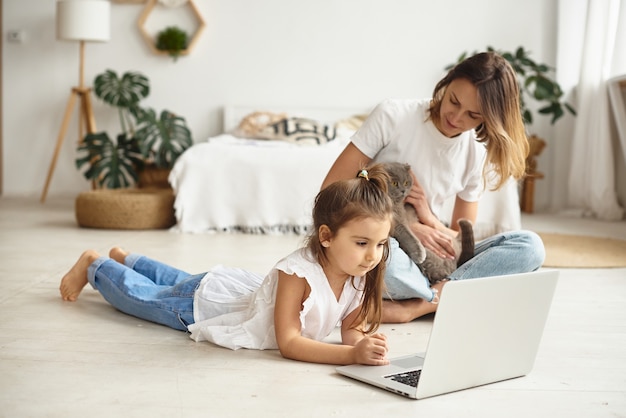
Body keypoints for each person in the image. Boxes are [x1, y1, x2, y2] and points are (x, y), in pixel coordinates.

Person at [60, 165, 394, 366]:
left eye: (380, 244)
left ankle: (128, 257)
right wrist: (349, 357)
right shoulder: (298, 273)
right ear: (326, 236)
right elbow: (290, 343)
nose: (372, 256)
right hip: (206, 307)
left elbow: (351, 327)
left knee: (178, 281)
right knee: (148, 298)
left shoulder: (358, 273)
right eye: (362, 243)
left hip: (232, 291)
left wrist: (364, 345)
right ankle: (97, 265)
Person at [321, 51, 546, 323]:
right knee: (383, 263)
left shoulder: (475, 152)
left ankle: (422, 304)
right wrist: (403, 228)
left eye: (473, 115)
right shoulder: (393, 115)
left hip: (435, 263)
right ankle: (456, 292)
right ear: (446, 82)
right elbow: (331, 190)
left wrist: (428, 217)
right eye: (453, 100)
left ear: (488, 118)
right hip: (385, 246)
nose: (456, 116)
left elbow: (460, 241)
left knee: (531, 247)